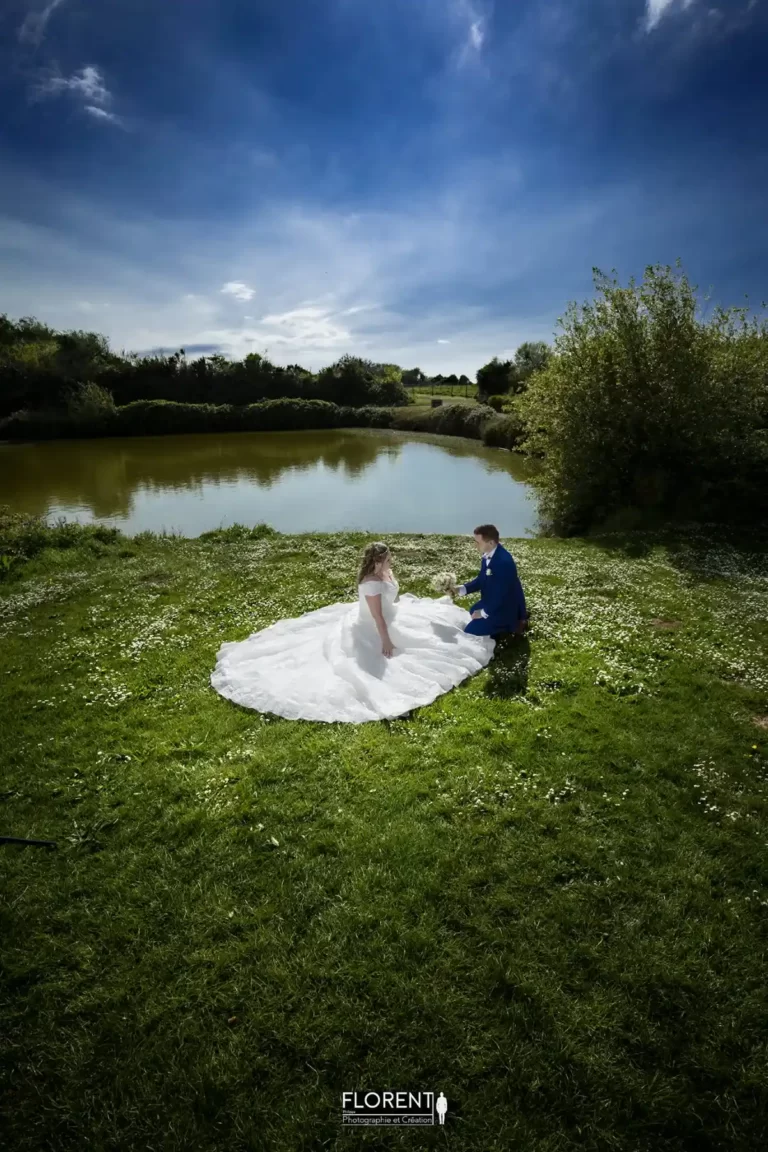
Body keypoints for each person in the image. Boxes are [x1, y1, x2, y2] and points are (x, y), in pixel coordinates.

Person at [210, 540, 495, 723]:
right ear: (377, 562)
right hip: (373, 625)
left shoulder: (384, 573)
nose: (391, 563)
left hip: (394, 614)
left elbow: (390, 601)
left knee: (441, 629)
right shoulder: (371, 583)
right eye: (388, 560)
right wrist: (385, 641)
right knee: (405, 656)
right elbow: (377, 617)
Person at [451, 524, 529, 638]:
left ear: (491, 543)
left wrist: (483, 613)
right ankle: (498, 623)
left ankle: (509, 626)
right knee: (473, 610)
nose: (475, 545)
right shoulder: (488, 555)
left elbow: (502, 595)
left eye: (478, 542)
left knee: (470, 631)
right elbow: (481, 580)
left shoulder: (503, 561)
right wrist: (460, 589)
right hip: (494, 601)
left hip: (504, 607)